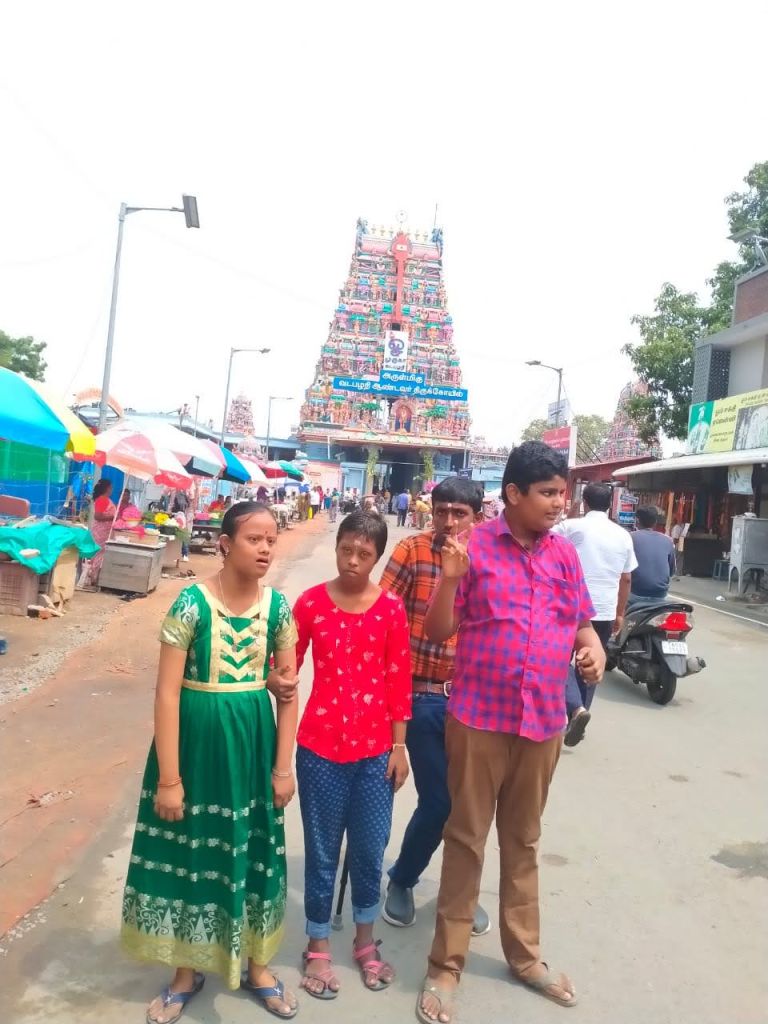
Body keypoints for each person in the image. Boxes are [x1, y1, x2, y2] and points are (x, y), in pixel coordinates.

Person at [417, 442, 605, 1023]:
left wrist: (593, 648)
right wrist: (450, 582)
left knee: (523, 841)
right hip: (478, 718)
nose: (559, 503)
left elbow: (580, 622)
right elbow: (437, 630)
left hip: (542, 721)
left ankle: (525, 957)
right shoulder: (473, 548)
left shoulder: (564, 555)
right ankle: (445, 965)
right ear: (514, 494)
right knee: (466, 838)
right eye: (548, 493)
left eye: (562, 493)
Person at [120, 502, 301, 1021]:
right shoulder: (191, 604)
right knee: (191, 855)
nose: (265, 549)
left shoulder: (278, 609)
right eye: (253, 539)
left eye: (271, 540)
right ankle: (186, 969)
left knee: (256, 852)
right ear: (224, 543)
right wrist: (169, 779)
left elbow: (288, 692)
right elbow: (167, 693)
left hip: (253, 751)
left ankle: (257, 966)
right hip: (196, 754)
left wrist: (283, 768)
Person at [292, 512, 412, 999]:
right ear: (337, 546)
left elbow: (398, 678)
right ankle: (317, 943)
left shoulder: (391, 609)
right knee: (322, 851)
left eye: (364, 554)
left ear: (377, 556)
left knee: (369, 848)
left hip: (376, 753)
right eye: (347, 550)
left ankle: (365, 939)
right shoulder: (310, 604)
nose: (353, 561)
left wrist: (399, 746)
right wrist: (274, 681)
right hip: (318, 748)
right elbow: (286, 664)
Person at [380, 477, 490, 937]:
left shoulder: (490, 557)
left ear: (477, 517)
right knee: (440, 800)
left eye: (458, 514)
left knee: (473, 805)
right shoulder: (413, 550)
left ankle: (461, 892)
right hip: (423, 694)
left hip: (477, 700)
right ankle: (403, 879)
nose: (448, 521)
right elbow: (382, 614)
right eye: (441, 511)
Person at [555, 483, 637, 747]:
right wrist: (620, 613)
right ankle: (580, 712)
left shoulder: (571, 526)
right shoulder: (623, 535)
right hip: (603, 609)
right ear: (610, 504)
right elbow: (626, 578)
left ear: (585, 502)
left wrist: (571, 513)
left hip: (570, 607)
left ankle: (575, 709)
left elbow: (548, 539)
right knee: (592, 662)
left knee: (558, 660)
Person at [629, 505, 676, 607]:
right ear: (655, 522)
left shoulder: (630, 537)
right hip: (660, 595)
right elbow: (671, 571)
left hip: (635, 593)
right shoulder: (668, 540)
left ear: (637, 521)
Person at [86, 478, 117, 586]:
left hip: (106, 531)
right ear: (107, 488)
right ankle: (94, 577)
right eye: (111, 487)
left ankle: (96, 577)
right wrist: (113, 517)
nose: (112, 489)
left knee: (101, 554)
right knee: (99, 554)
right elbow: (98, 516)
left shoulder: (106, 500)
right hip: (101, 532)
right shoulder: (103, 499)